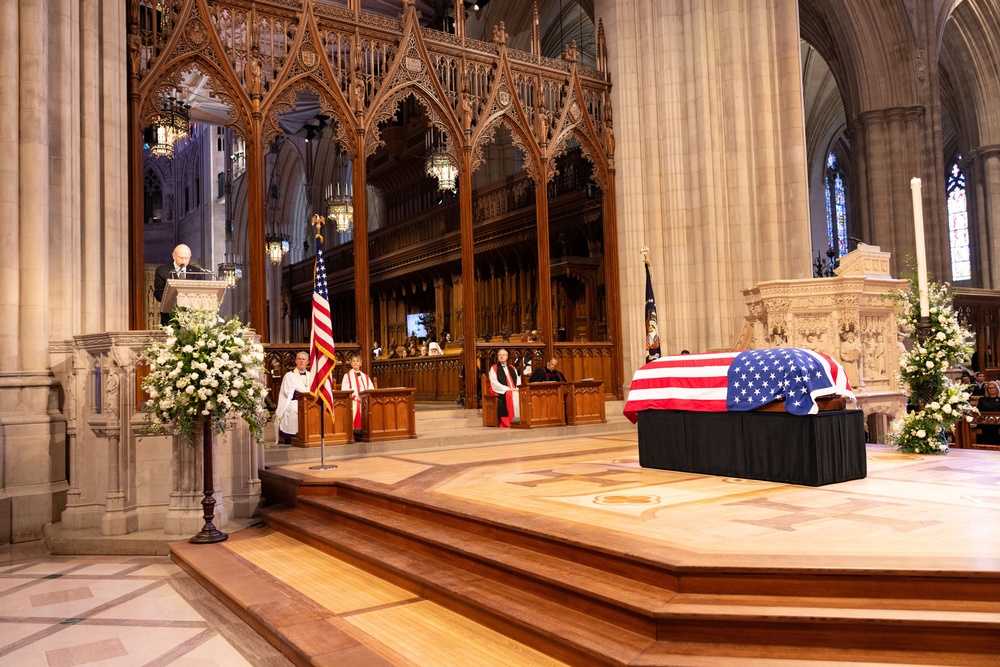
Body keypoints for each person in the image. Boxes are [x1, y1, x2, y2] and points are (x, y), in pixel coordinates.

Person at [153, 244, 194, 326]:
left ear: (190, 256)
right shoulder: (162, 271)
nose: (184, 261)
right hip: (169, 317)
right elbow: (158, 293)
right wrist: (173, 300)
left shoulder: (196, 271)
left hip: (192, 318)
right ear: (174, 256)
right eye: (181, 258)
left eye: (186, 258)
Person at [275, 351, 310, 444]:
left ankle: (311, 434)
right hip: (294, 400)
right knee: (293, 410)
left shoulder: (311, 375)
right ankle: (292, 435)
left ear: (307, 362)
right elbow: (288, 392)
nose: (301, 361)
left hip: (309, 401)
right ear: (295, 361)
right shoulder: (289, 375)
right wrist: (303, 395)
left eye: (303, 359)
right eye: (299, 359)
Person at [341, 351, 374, 431]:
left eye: (357, 361)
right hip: (353, 401)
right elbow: (345, 390)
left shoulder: (365, 377)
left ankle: (366, 432)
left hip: (365, 402)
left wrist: (365, 399)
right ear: (351, 364)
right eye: (353, 361)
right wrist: (356, 398)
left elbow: (371, 390)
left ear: (360, 364)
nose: (355, 363)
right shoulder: (347, 376)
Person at [488, 348, 520, 427]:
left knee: (520, 394)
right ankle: (511, 420)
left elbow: (518, 380)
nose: (501, 357)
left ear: (507, 357)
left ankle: (520, 420)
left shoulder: (512, 368)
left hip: (514, 390)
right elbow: (494, 383)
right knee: (512, 395)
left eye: (503, 355)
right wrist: (508, 389)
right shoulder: (494, 368)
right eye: (499, 355)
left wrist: (518, 388)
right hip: (502, 391)